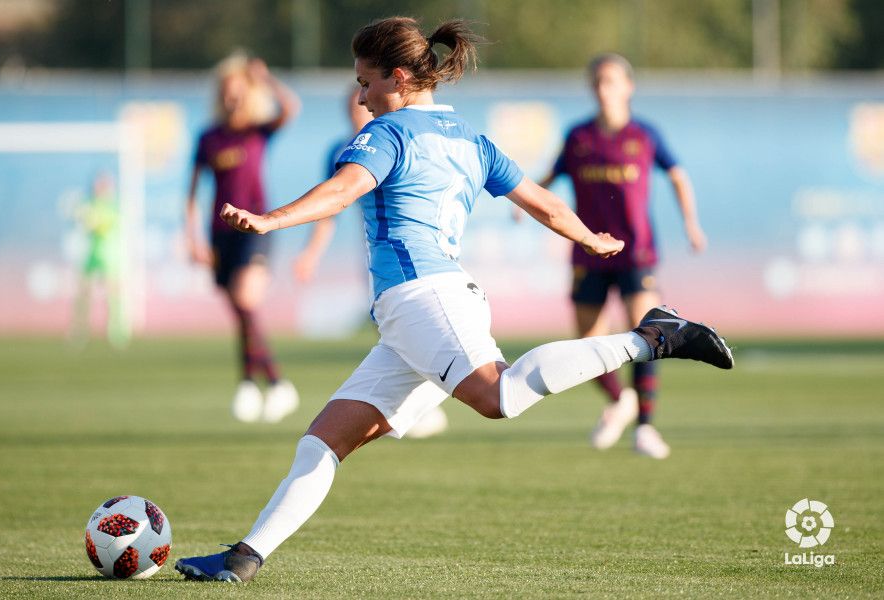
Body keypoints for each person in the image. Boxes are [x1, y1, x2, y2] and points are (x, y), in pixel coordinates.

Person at [174, 18, 732, 583]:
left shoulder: (387, 133)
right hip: (416, 316)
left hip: (425, 299)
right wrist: (587, 236)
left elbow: (343, 191)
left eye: (365, 83)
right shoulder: (469, 136)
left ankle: (651, 337)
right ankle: (245, 556)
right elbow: (541, 201)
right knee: (322, 441)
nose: (361, 99)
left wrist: (271, 220)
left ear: (398, 78)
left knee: (500, 397)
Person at [536, 53, 708, 459]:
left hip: (636, 252)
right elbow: (552, 176)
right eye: (597, 81)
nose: (603, 88)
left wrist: (691, 223)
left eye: (611, 81)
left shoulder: (645, 135)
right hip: (589, 251)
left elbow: (678, 175)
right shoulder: (578, 137)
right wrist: (525, 202)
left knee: (647, 331)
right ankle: (620, 400)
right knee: (586, 343)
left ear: (628, 87)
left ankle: (645, 428)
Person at [186, 54, 318, 423]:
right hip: (219, 234)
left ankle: (269, 383)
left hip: (255, 229)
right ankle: (256, 383)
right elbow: (192, 192)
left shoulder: (258, 131)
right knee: (241, 313)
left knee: (245, 299)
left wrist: (267, 78)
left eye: (239, 92)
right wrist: (192, 239)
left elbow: (291, 108)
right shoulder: (209, 138)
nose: (233, 99)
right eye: (227, 92)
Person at [321, 87, 450, 439]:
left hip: (414, 252)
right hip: (374, 247)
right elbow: (329, 203)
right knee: (392, 325)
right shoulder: (343, 150)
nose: (359, 109)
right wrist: (311, 253)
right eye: (352, 107)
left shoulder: (397, 139)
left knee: (410, 323)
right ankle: (413, 400)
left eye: (363, 103)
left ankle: (425, 398)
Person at [70, 172, 129, 349]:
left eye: (104, 184)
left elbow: (104, 225)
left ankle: (116, 331)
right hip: (92, 253)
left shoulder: (113, 205)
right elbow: (83, 222)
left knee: (112, 293)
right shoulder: (90, 203)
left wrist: (93, 221)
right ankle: (80, 330)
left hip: (109, 254)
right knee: (83, 291)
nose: (100, 188)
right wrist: (84, 218)